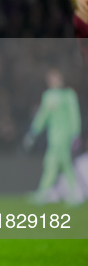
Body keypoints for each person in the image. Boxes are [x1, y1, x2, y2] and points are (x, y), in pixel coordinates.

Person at [23, 69, 82, 204]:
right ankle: (70, 193)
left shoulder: (68, 95)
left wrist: (75, 134)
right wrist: (33, 131)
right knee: (59, 164)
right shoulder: (48, 96)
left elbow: (74, 116)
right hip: (53, 135)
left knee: (56, 163)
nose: (53, 81)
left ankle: (47, 192)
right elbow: (42, 116)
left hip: (64, 135)